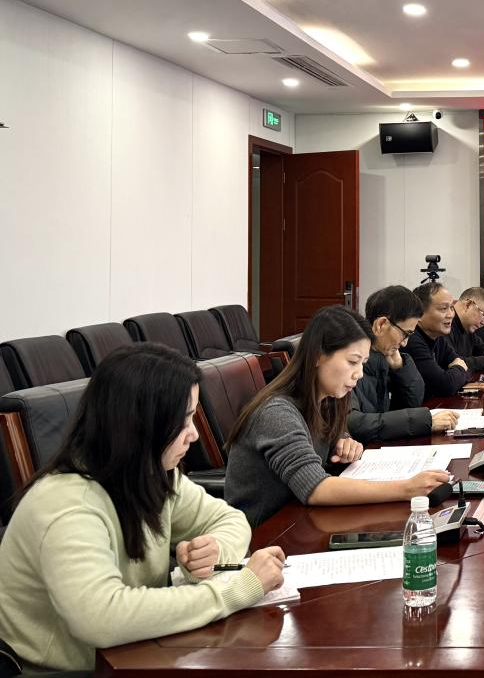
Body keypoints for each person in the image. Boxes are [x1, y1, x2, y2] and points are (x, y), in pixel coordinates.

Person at [0, 344, 286, 672]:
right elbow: (102, 618)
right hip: (61, 670)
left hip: (133, 653)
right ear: (141, 425)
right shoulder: (66, 505)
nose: (194, 434)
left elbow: (229, 518)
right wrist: (237, 589)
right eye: (184, 420)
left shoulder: (151, 474)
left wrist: (215, 550)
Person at [225, 305, 450, 526]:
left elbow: (327, 437)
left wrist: (343, 440)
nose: (359, 374)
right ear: (318, 355)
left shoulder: (328, 399)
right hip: (265, 534)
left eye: (363, 363)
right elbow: (315, 488)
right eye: (352, 362)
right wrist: (406, 488)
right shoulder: (275, 412)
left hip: (302, 520)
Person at [347, 285, 459, 442]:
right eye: (405, 334)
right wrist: (424, 421)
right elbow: (354, 424)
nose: (405, 343)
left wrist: (401, 367)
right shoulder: (349, 361)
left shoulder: (386, 359)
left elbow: (412, 403)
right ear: (381, 325)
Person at [401, 281, 476, 398]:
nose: (451, 315)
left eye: (452, 308)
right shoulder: (411, 340)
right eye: (443, 309)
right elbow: (445, 385)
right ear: (420, 314)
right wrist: (459, 368)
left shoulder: (438, 337)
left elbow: (465, 366)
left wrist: (456, 370)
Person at [449, 286, 484, 366]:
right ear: (468, 305)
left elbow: (482, 348)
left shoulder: (468, 327)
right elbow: (453, 361)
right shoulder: (445, 325)